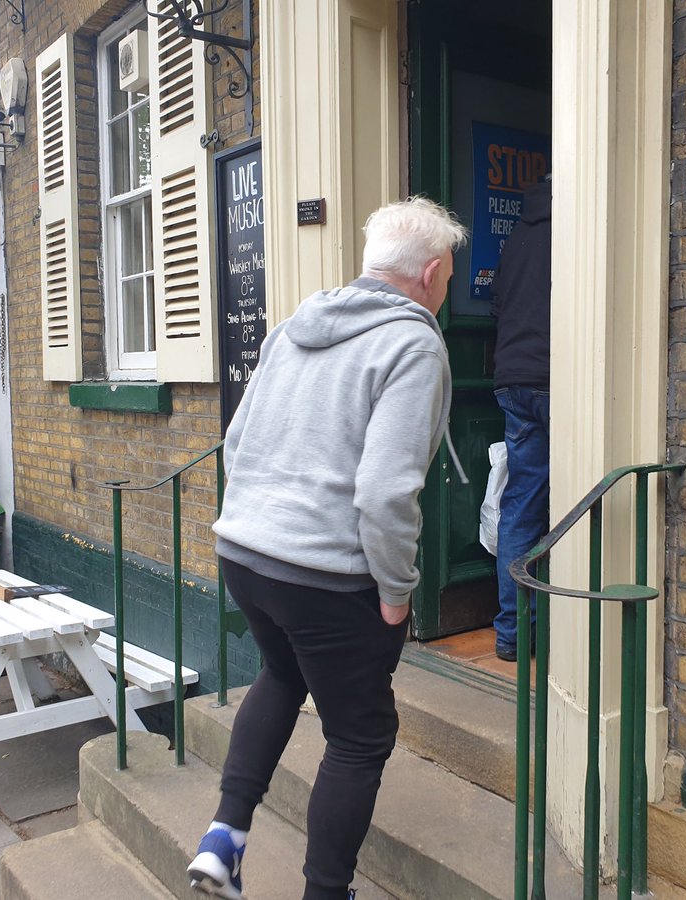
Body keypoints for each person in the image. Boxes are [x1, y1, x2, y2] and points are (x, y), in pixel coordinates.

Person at [187, 197, 467, 900]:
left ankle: (224, 840)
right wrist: (398, 594)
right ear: (432, 273)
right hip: (326, 577)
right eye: (451, 276)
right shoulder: (414, 344)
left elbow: (237, 443)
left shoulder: (292, 326)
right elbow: (383, 492)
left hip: (247, 554)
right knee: (359, 736)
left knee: (281, 677)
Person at [491, 177, 551, 662]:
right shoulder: (572, 231)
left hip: (511, 379)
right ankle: (564, 635)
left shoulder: (515, 239)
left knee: (521, 505)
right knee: (577, 499)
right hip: (556, 379)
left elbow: (498, 306)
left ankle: (512, 635)